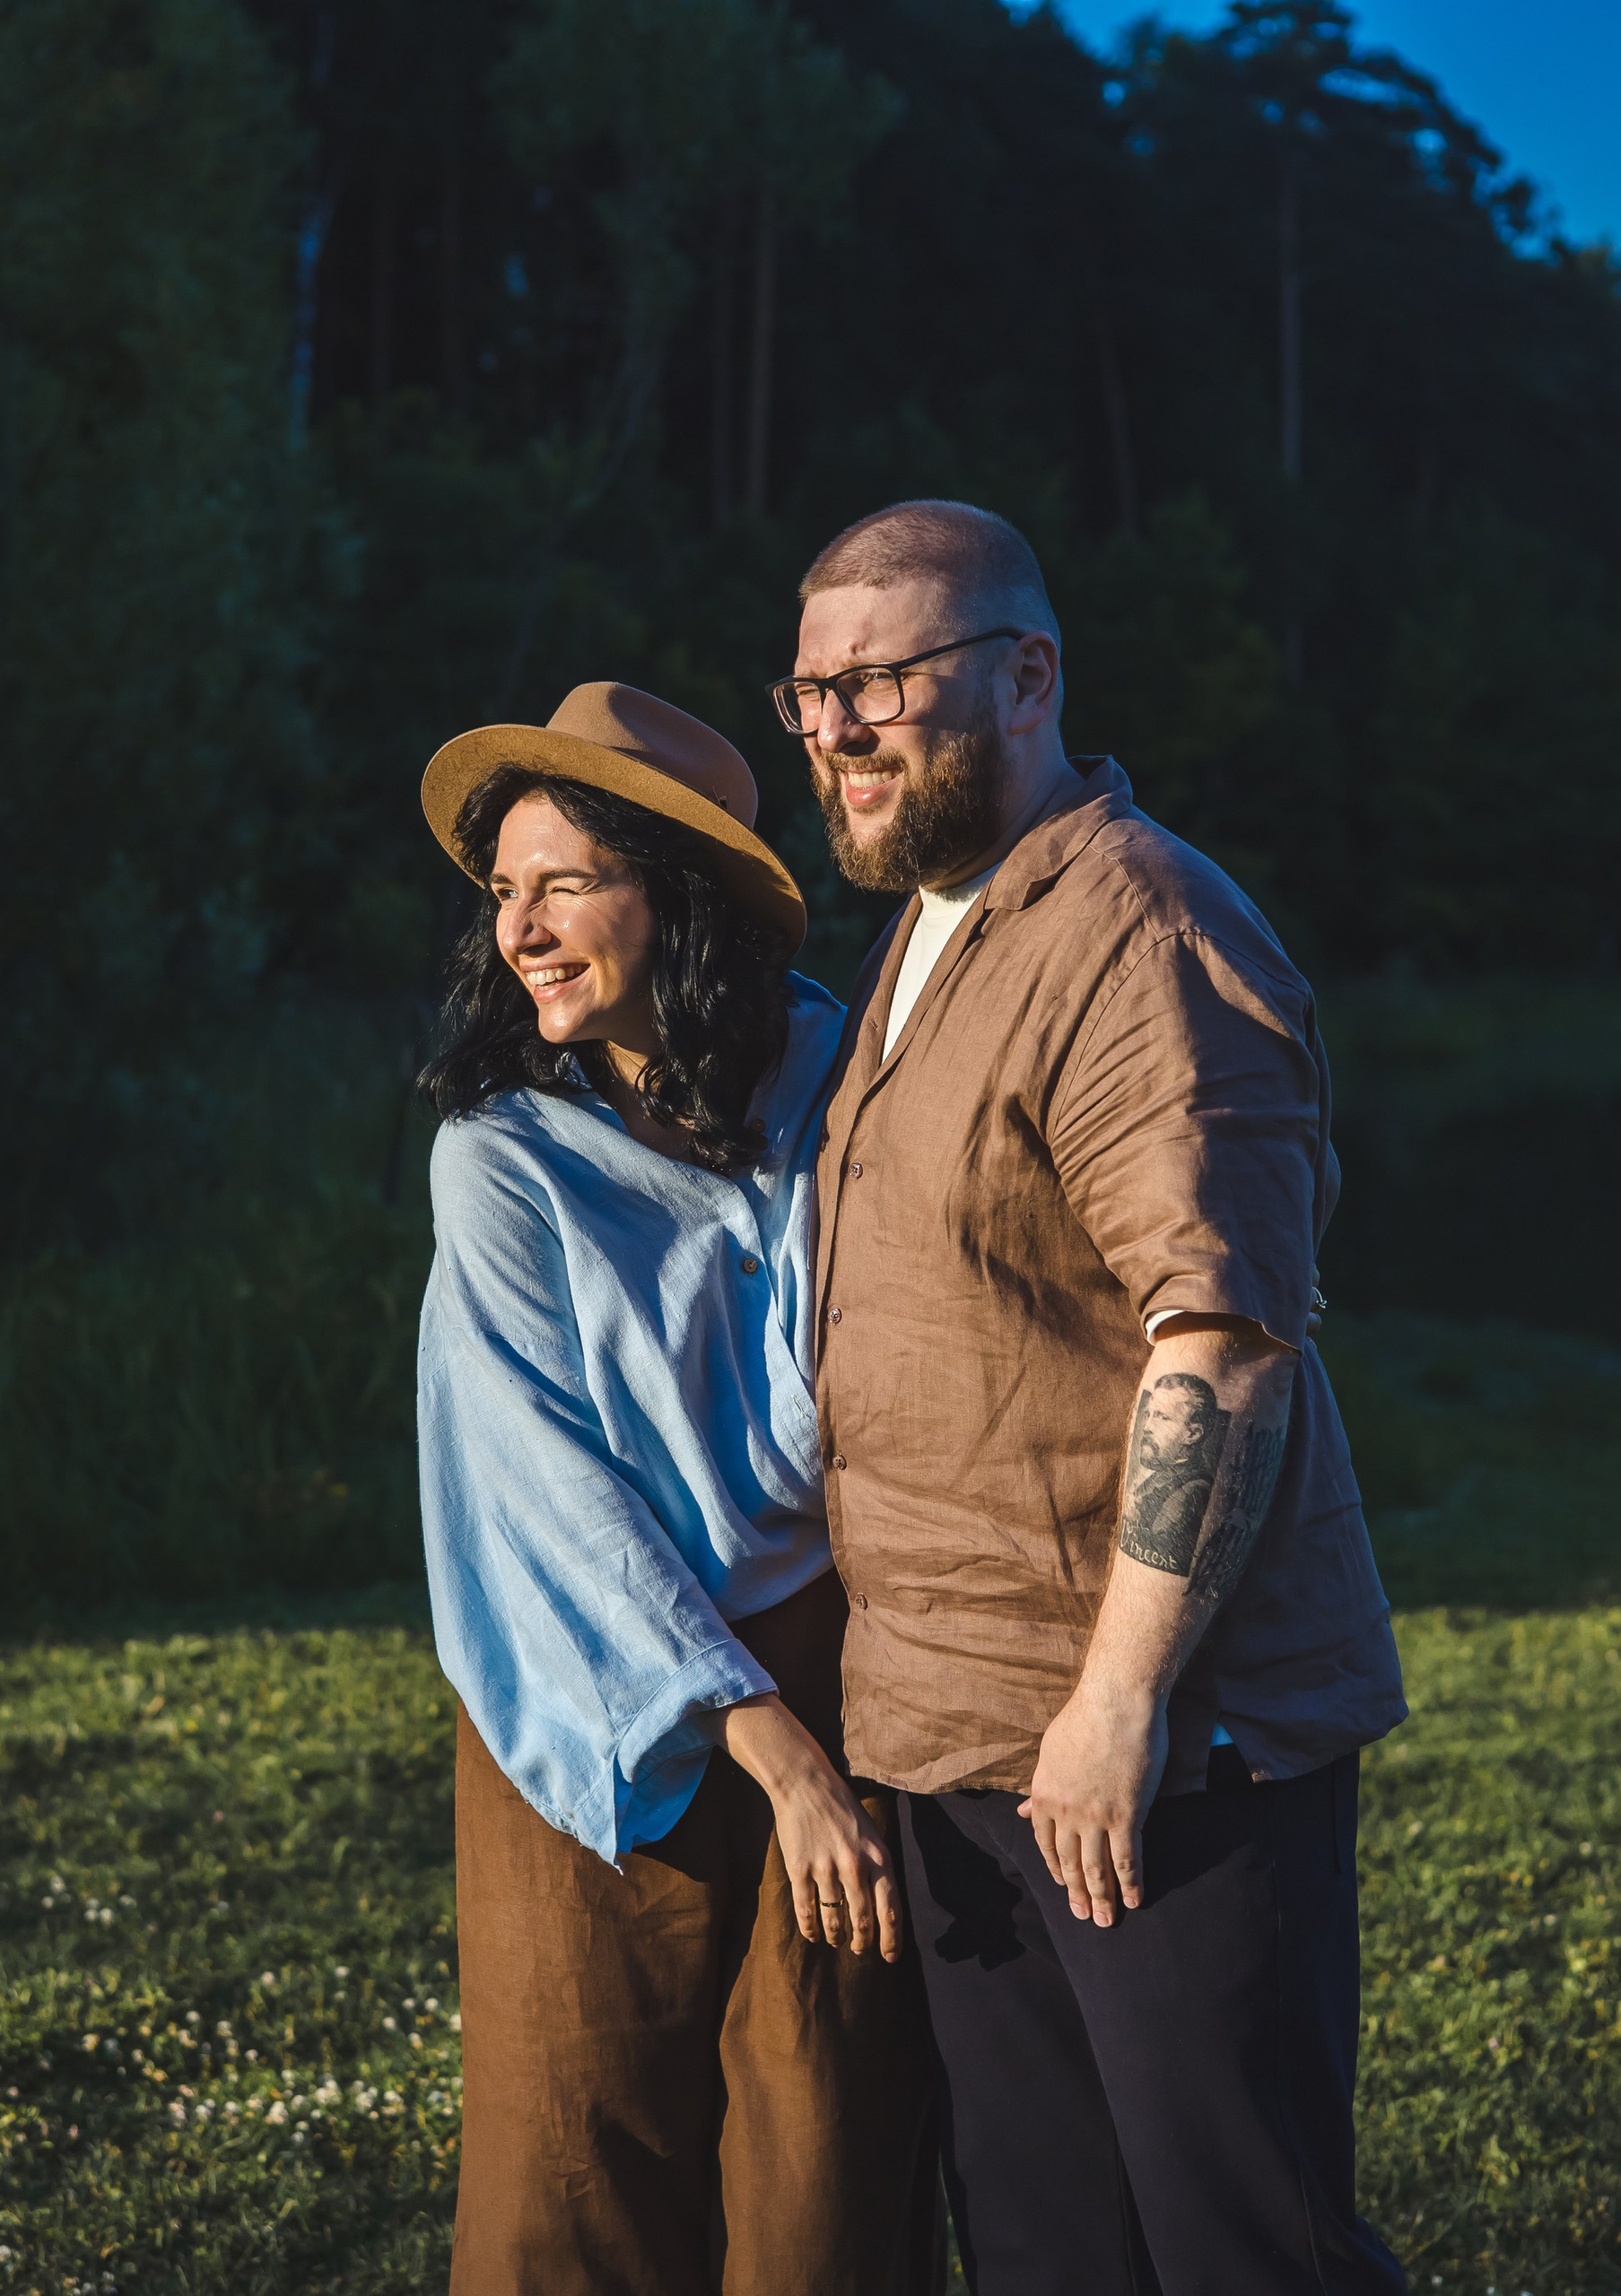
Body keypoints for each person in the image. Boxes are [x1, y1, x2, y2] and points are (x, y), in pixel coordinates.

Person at [779, 500, 1410, 2296]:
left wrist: (1119, 1697)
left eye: (883, 678)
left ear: (1026, 674)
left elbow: (1218, 1339)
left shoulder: (1133, 924)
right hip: (953, 1736)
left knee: (1241, 2243)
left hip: (1152, 1747)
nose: (837, 726)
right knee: (1057, 2249)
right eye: (811, 691)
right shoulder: (922, 937)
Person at [414, 681, 940, 2296]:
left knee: (829, 2159)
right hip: (593, 1683)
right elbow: (546, 1490)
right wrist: (763, 1742)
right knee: (574, 2170)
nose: (523, 928)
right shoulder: (501, 1156)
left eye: (565, 882)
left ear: (677, 892)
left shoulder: (837, 1085)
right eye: (503, 891)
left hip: (836, 1660)